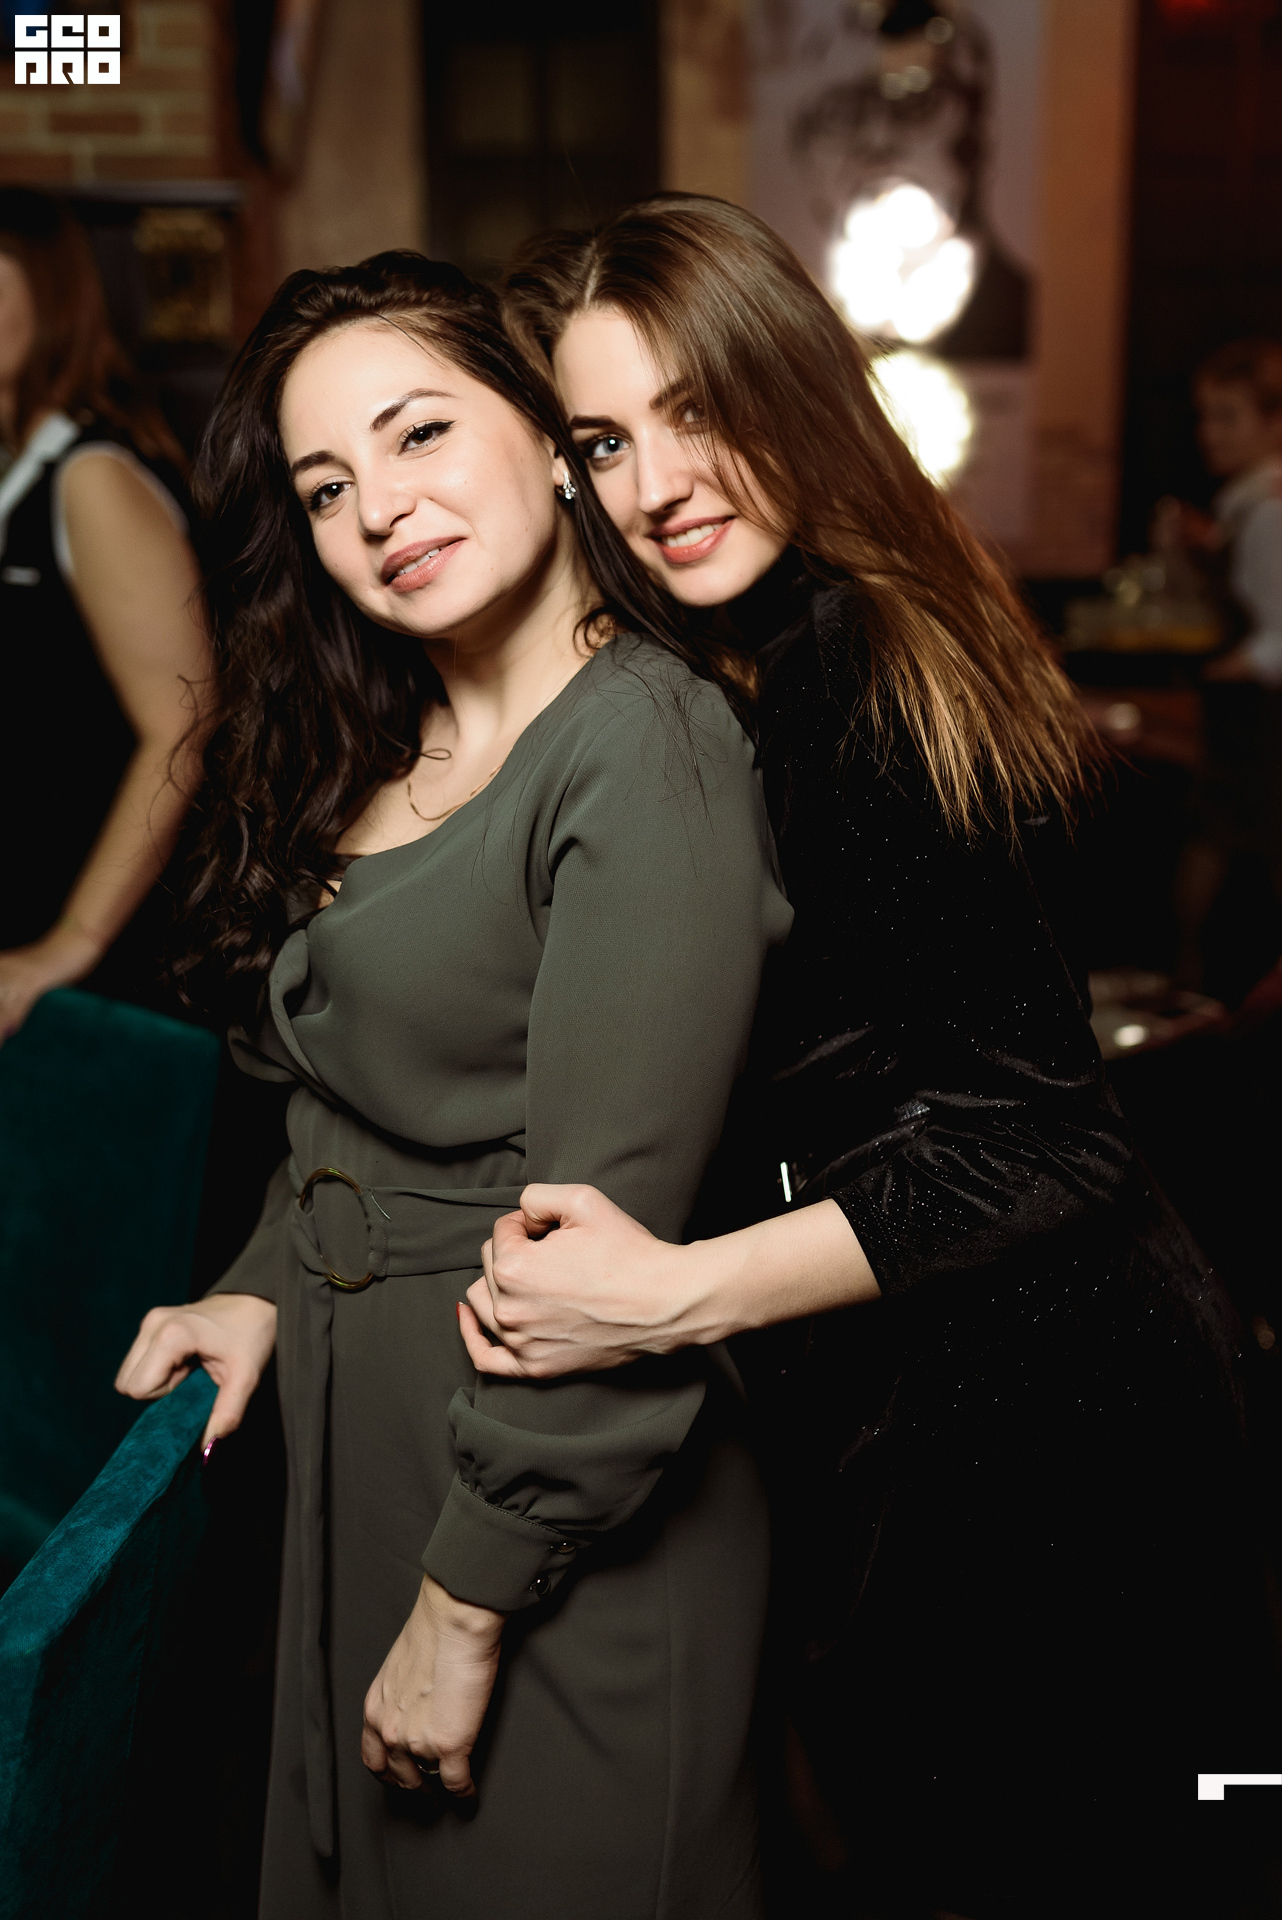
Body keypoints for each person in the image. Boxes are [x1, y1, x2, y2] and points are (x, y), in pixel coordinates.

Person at [462, 196, 1271, 1916]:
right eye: (601, 442)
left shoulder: (847, 667)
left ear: (793, 386)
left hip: (1045, 1430)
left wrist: (669, 1296)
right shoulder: (827, 631)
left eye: (695, 409)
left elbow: (1037, 1141)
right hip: (1034, 1399)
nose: (654, 482)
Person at [115, 252, 790, 1920]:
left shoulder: (645, 746)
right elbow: (342, 1106)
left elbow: (607, 1247)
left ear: (550, 438)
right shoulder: (379, 738)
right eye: (324, 486)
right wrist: (263, 1285)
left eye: (419, 433)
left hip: (550, 1507)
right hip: (366, 1444)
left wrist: (467, 1604)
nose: (378, 512)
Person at [0, 187, 209, 1038]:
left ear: (49, 297)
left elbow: (186, 723)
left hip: (101, 967)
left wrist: (71, 942)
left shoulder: (91, 476)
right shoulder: (21, 472)